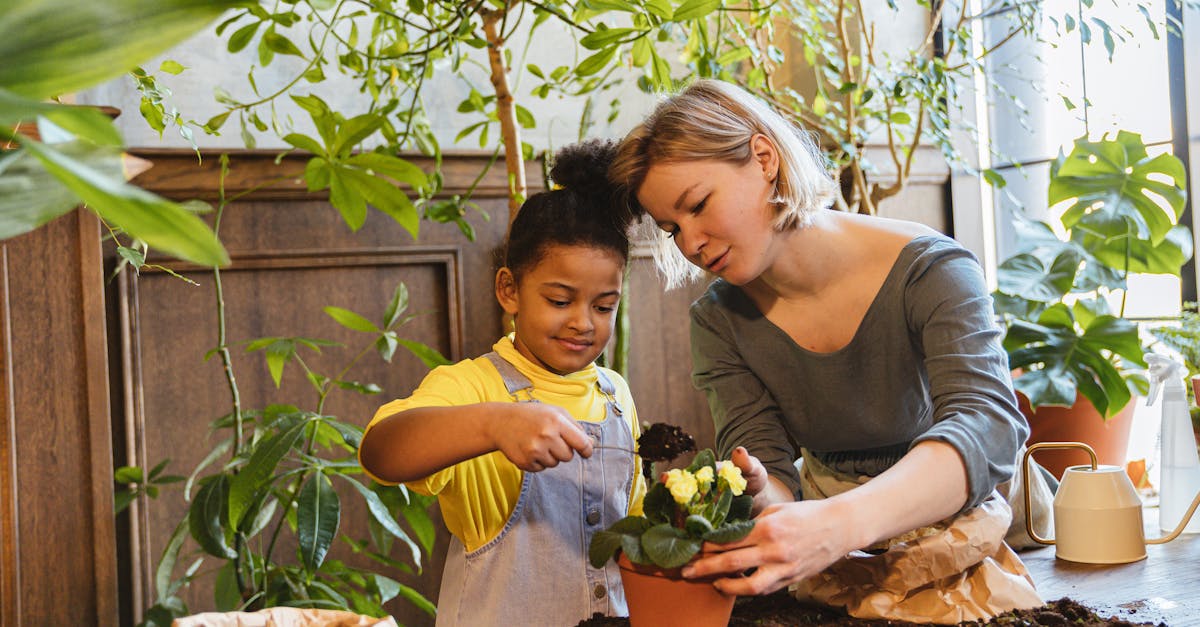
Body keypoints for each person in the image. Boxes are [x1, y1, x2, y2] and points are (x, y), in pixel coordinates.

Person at [607, 79, 1037, 605]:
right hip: (831, 545)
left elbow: (989, 425)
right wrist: (764, 491)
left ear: (764, 157)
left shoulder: (931, 269)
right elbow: (773, 474)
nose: (691, 244)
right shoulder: (718, 323)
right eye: (672, 228)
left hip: (985, 529)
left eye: (698, 205)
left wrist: (840, 522)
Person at [358, 140, 646, 626]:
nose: (583, 323)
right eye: (559, 300)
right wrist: (494, 424)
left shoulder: (615, 394)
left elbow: (636, 532)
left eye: (603, 306)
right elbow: (379, 453)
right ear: (509, 290)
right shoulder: (473, 386)